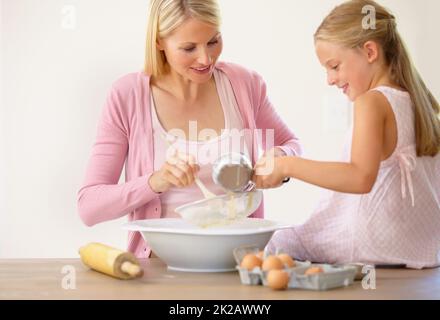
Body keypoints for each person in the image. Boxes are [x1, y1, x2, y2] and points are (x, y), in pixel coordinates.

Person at [77, 0, 302, 258]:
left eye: (213, 41)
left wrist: (280, 160)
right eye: (188, 48)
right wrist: (154, 181)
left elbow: (290, 142)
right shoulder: (126, 95)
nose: (206, 58)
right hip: (160, 270)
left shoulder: (244, 84)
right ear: (159, 41)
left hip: (239, 265)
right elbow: (89, 207)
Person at [255, 0, 440, 269]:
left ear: (369, 51)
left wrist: (286, 165)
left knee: (278, 241)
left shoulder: (372, 102)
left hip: (372, 243)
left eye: (334, 66)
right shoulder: (416, 100)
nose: (330, 79)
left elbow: (360, 177)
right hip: (421, 246)